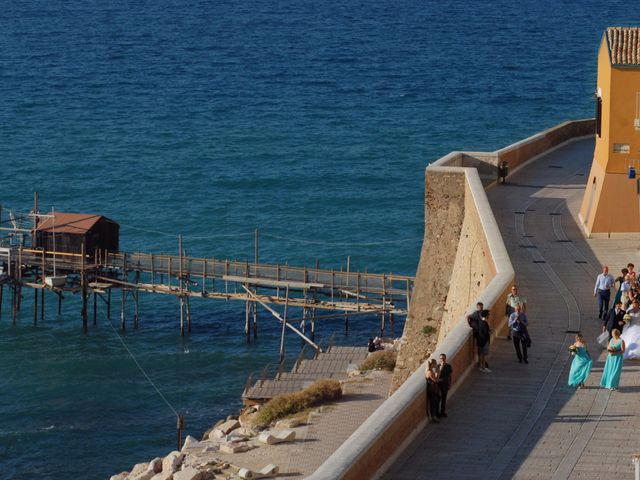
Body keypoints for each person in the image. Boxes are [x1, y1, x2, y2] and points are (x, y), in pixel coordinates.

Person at [467, 303, 491, 372]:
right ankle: (483, 367)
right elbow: (485, 332)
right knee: (483, 354)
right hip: (483, 340)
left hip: (480, 339)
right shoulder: (484, 323)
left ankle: (481, 366)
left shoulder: (482, 322)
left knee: (481, 353)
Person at [436, 353, 453, 418]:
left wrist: (450, 384)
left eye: (443, 358)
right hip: (439, 385)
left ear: (445, 359)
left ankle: (443, 412)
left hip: (445, 385)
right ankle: (437, 413)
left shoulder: (448, 366)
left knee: (444, 399)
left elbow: (450, 376)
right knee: (438, 399)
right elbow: (437, 376)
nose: (442, 360)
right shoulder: (437, 366)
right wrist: (441, 367)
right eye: (441, 358)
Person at [425, 359, 440, 423]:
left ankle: (434, 416)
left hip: (432, 388)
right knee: (433, 404)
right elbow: (435, 379)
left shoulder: (429, 370)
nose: (435, 365)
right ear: (432, 364)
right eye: (435, 363)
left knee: (434, 403)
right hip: (432, 389)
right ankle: (433, 417)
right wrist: (438, 371)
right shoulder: (429, 372)